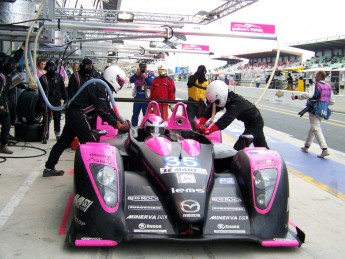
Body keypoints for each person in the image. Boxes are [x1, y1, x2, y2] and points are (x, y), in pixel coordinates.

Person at [42, 66, 129, 177]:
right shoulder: (99, 86)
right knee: (90, 143)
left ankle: (49, 168)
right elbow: (102, 111)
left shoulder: (102, 86)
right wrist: (119, 126)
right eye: (119, 82)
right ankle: (95, 174)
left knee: (63, 142)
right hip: (77, 114)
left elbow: (108, 108)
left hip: (74, 113)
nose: (120, 85)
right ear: (113, 77)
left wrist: (119, 120)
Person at [195, 80, 269, 151]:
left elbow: (226, 119)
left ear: (221, 96)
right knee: (261, 146)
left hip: (255, 124)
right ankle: (269, 159)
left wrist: (209, 130)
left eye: (216, 102)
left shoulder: (237, 103)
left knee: (239, 147)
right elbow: (211, 110)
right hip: (251, 121)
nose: (215, 105)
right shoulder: (226, 97)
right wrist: (200, 121)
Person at [291, 70, 334, 158]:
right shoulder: (329, 86)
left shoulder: (315, 85)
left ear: (319, 76)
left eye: (316, 75)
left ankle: (324, 149)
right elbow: (332, 101)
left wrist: (296, 97)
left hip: (314, 109)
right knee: (313, 128)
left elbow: (309, 95)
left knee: (316, 128)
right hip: (323, 108)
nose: (315, 77)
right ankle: (306, 146)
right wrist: (323, 103)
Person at [39, 61, 68, 144]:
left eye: (52, 68)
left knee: (57, 118)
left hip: (57, 101)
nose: (51, 69)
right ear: (46, 69)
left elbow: (63, 89)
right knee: (46, 119)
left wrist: (66, 99)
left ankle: (58, 134)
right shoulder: (43, 78)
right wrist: (42, 102)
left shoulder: (59, 77)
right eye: (49, 68)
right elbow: (41, 92)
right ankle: (45, 135)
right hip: (46, 101)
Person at [186, 65, 209, 130]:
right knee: (190, 122)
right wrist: (197, 73)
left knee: (202, 122)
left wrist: (208, 104)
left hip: (201, 104)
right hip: (191, 103)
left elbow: (208, 94)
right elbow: (189, 84)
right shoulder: (192, 78)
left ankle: (199, 134)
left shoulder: (207, 82)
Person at [130, 62, 153, 127]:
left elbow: (151, 83)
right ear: (139, 67)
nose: (143, 68)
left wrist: (145, 78)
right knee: (135, 113)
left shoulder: (149, 74)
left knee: (146, 114)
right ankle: (134, 126)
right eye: (141, 67)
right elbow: (131, 80)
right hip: (137, 96)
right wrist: (135, 75)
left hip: (146, 97)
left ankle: (146, 126)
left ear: (146, 67)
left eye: (144, 67)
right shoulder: (137, 74)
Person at [0, 71, 13, 154]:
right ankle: (3, 145)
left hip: (4, 100)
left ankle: (3, 145)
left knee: (6, 124)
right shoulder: (2, 77)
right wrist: (1, 106)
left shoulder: (7, 75)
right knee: (6, 123)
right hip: (1, 103)